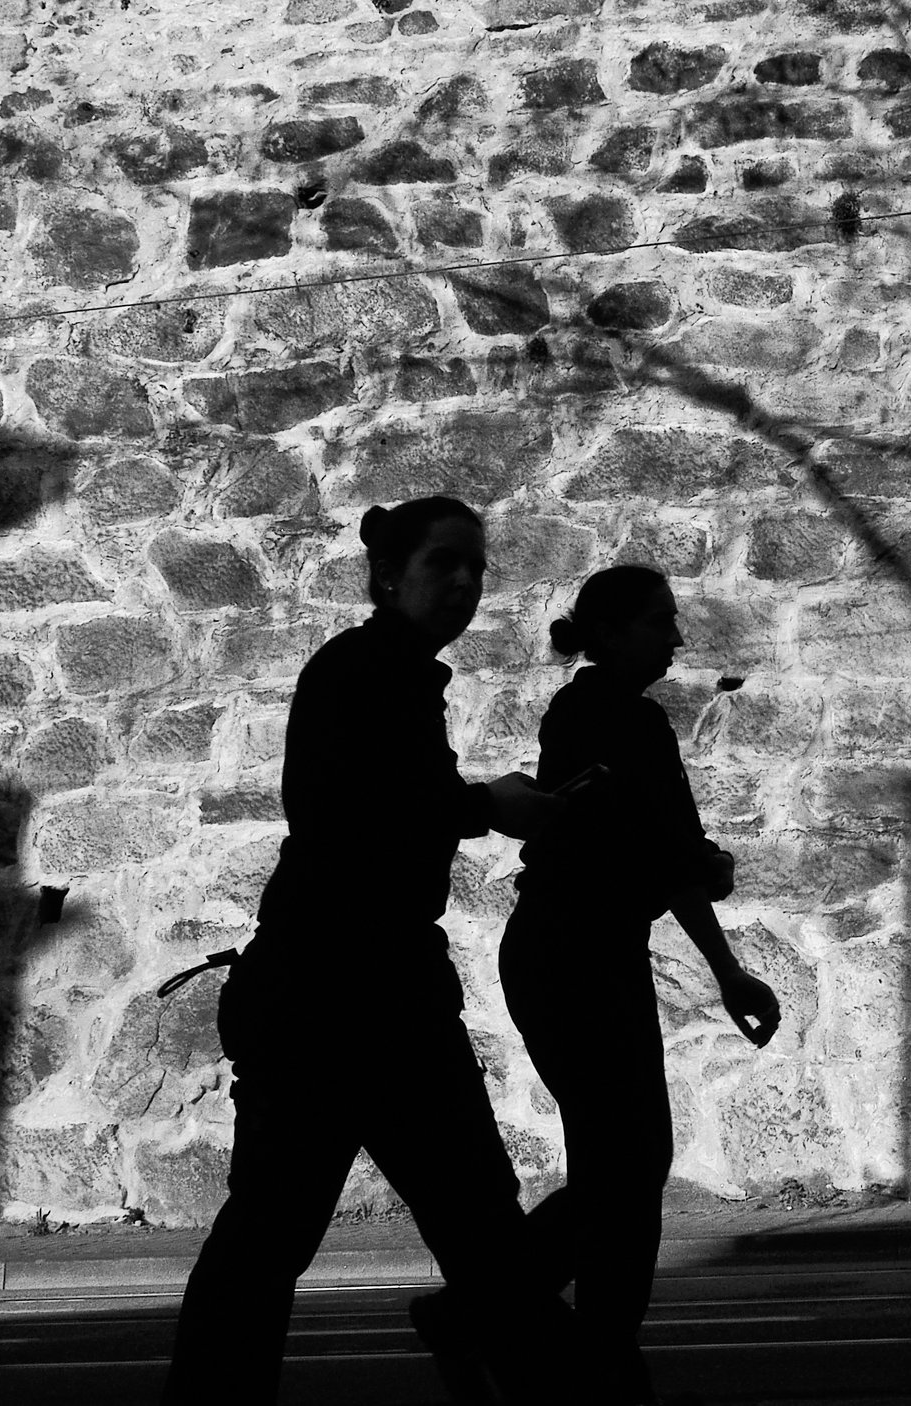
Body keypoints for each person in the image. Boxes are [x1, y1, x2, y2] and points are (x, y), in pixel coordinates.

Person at [163, 496, 585, 1406]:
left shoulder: (386, 671)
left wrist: (479, 804)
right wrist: (488, 806)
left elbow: (383, 808)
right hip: (340, 998)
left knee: (446, 1230)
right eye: (445, 564)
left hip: (362, 991)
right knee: (326, 1235)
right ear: (392, 575)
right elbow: (354, 814)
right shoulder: (364, 672)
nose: (466, 583)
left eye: (476, 567)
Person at [489, 564, 785, 1406]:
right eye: (660, 622)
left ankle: (540, 1321)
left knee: (623, 1157)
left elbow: (662, 852)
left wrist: (722, 956)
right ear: (612, 632)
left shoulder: (594, 714)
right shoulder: (617, 719)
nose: (676, 638)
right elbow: (661, 853)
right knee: (627, 1156)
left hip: (571, 951)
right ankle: (596, 1346)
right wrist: (708, 897)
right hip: (572, 954)